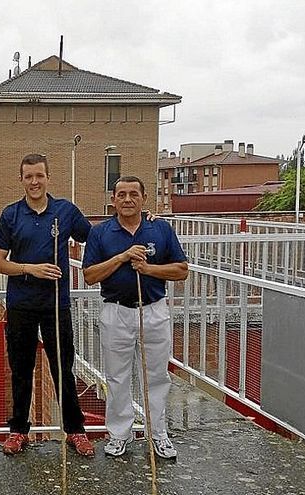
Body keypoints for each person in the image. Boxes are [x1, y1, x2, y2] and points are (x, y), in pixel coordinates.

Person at [0, 153, 95, 457]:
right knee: (21, 370)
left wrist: (143, 219)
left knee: (63, 368)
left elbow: (98, 237)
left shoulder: (65, 211)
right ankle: (17, 431)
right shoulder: (11, 215)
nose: (34, 182)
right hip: (21, 304)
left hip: (56, 304)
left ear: (48, 177)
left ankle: (75, 430)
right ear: (21, 179)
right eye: (28, 176)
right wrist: (30, 268)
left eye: (39, 176)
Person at [82, 176, 187, 460]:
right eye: (121, 195)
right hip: (116, 311)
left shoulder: (161, 228)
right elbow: (90, 275)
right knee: (117, 377)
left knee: (156, 376)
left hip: (153, 310)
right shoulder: (101, 232)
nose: (127, 200)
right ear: (113, 199)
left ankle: (158, 434)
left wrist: (149, 269)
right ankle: (119, 434)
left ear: (143, 198)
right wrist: (121, 258)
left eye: (133, 194)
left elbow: (181, 270)